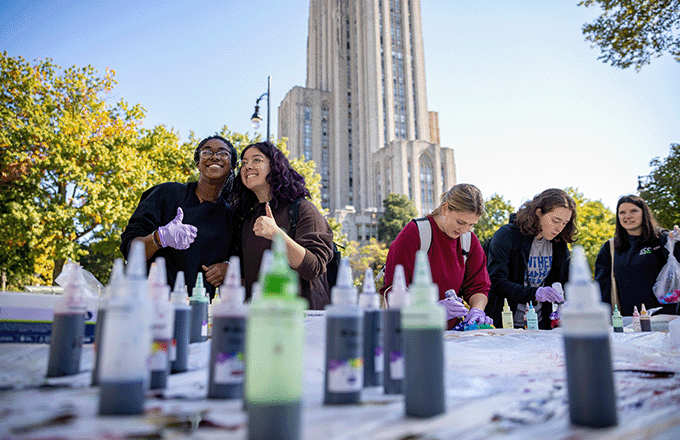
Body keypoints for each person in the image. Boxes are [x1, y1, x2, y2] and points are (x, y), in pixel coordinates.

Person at [120, 135, 239, 298]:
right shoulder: (167, 194)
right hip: (148, 303)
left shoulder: (230, 217)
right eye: (207, 152)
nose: (214, 156)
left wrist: (228, 269)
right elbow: (131, 250)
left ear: (233, 165)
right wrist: (159, 238)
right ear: (198, 163)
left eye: (222, 153)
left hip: (196, 308)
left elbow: (241, 263)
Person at [229, 141, 334, 310]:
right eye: (244, 162)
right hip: (261, 321)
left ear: (275, 166)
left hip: (301, 321)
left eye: (256, 160)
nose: (247, 166)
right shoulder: (247, 219)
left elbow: (313, 267)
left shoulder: (303, 209)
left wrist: (277, 234)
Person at [379, 183, 493, 328]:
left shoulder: (469, 241)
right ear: (445, 208)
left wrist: (477, 309)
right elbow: (394, 291)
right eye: (460, 222)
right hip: (413, 333)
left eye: (471, 225)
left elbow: (478, 286)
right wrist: (430, 311)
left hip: (452, 335)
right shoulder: (413, 234)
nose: (464, 229)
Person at [485, 189, 576, 329]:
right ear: (538, 212)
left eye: (564, 223)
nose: (559, 228)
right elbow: (497, 282)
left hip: (541, 326)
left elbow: (567, 282)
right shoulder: (507, 236)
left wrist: (568, 302)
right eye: (555, 220)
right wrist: (536, 293)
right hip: (504, 325)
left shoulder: (559, 245)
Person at [595, 195, 680, 316]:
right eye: (622, 212)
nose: (627, 216)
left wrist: (677, 242)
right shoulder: (610, 247)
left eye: (634, 211)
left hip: (665, 319)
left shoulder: (663, 239)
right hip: (628, 323)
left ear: (644, 213)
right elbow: (602, 288)